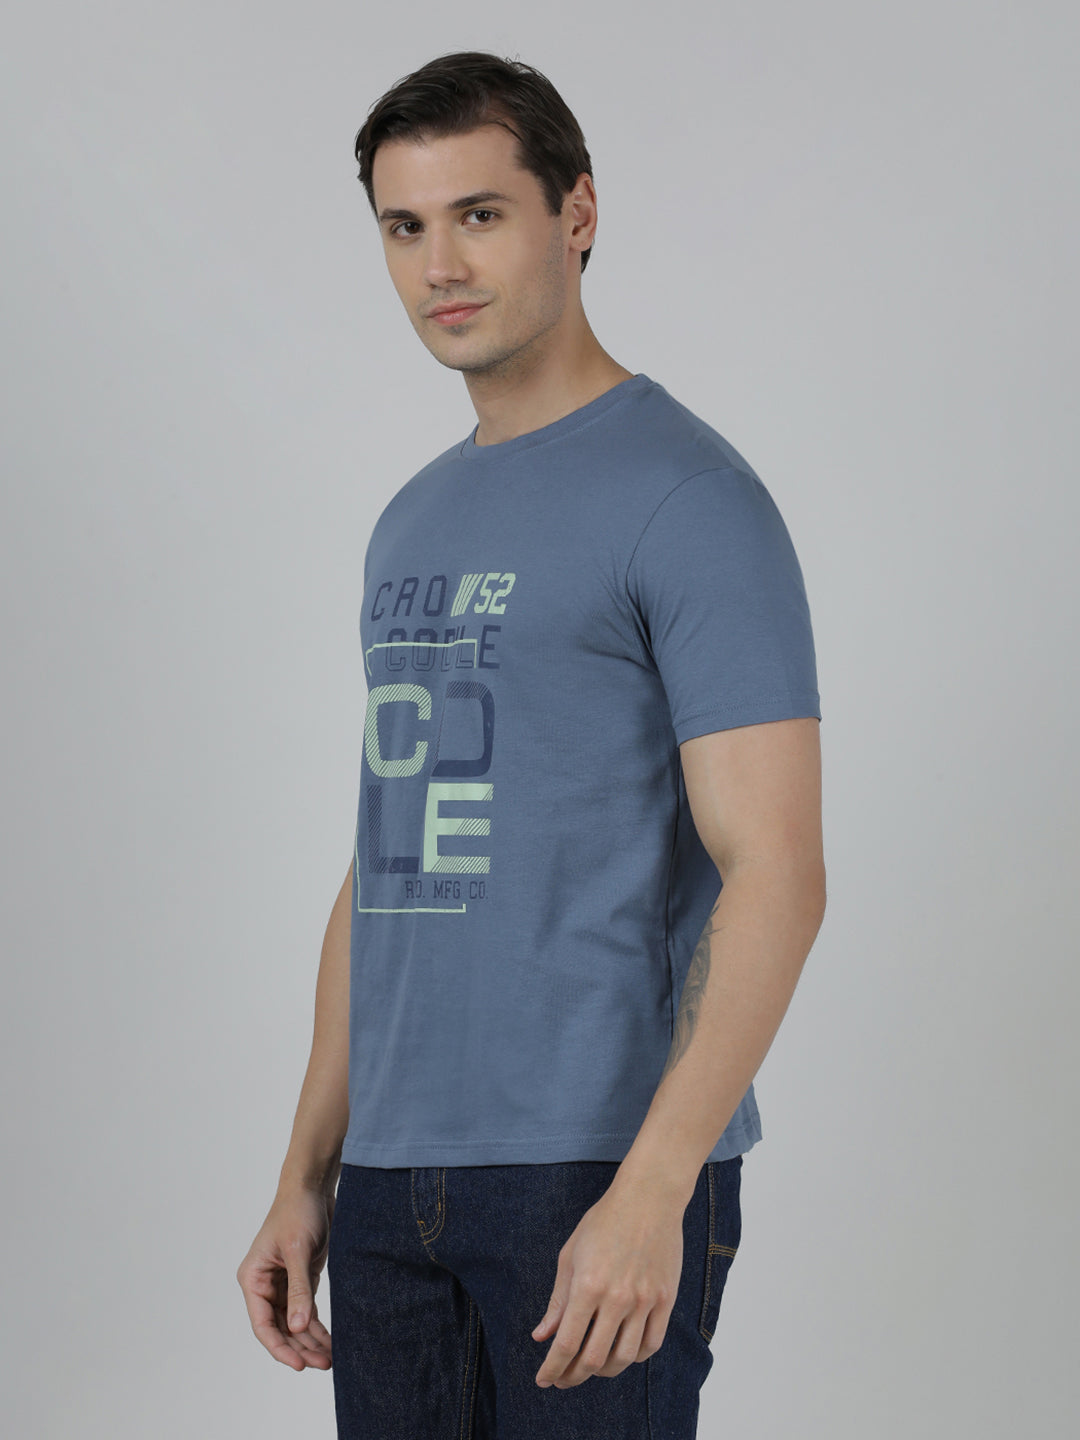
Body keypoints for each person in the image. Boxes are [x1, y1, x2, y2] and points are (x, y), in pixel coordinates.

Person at [236, 49, 826, 1440]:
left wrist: (655, 1185)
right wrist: (308, 1172)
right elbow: (387, 866)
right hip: (391, 1184)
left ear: (578, 213)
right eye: (405, 226)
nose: (440, 265)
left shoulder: (690, 498)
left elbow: (779, 872)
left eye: (481, 215)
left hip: (591, 1168)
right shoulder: (411, 521)